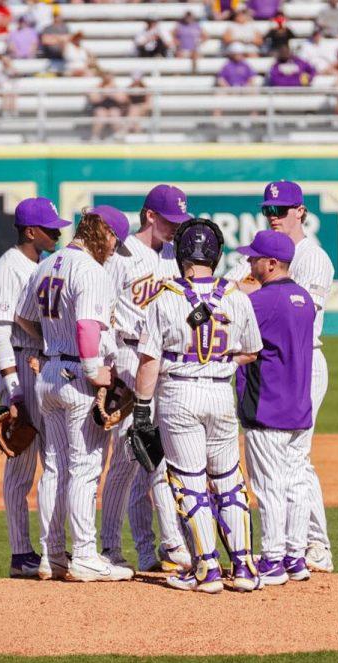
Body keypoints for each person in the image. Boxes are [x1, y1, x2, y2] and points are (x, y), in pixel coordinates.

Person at [132, 218, 263, 594]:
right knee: (229, 482)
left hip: (179, 394)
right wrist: (220, 363)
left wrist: (142, 409)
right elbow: (252, 351)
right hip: (222, 393)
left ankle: (206, 570)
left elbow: (150, 361)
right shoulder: (236, 296)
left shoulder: (166, 297)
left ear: (181, 255)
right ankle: (244, 568)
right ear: (217, 255)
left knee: (190, 483)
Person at [13, 206, 135, 583]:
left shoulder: (47, 266)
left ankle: (53, 556)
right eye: (116, 241)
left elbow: (22, 317)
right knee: (85, 468)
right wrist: (92, 370)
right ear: (107, 234)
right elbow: (86, 326)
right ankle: (83, 554)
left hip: (49, 373)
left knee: (54, 466)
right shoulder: (91, 271)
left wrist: (50, 346)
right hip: (78, 378)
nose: (115, 250)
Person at [99, 186, 193, 574]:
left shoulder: (174, 255)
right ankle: (117, 547)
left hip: (166, 360)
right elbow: (100, 312)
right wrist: (108, 372)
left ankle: (144, 554)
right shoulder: (120, 257)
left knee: (145, 461)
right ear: (150, 216)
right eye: (171, 220)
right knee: (137, 456)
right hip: (128, 353)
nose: (176, 228)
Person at [0, 197, 71, 579]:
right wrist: (14, 391)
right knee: (21, 464)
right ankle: (21, 553)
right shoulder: (8, 269)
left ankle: (51, 548)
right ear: (30, 232)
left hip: (39, 361)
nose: (58, 233)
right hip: (18, 363)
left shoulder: (40, 265)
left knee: (54, 459)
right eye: (51, 229)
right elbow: (0, 334)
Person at [233, 229, 316, 586]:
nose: (250, 263)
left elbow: (234, 337)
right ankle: (295, 557)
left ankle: (271, 559)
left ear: (271, 263)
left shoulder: (262, 302)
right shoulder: (304, 297)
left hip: (268, 406)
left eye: (254, 258)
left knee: (268, 486)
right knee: (296, 483)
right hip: (299, 407)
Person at [87, 72, 128, 139]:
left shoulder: (116, 87)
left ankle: (118, 135)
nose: (107, 80)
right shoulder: (97, 87)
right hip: (100, 107)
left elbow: (123, 99)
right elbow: (93, 99)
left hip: (113, 107)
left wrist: (112, 94)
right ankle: (95, 136)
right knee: (101, 114)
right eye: (106, 78)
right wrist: (103, 94)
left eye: (109, 78)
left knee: (114, 113)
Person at [39, 7, 71, 72]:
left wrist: (54, 38)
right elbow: (45, 40)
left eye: (58, 15)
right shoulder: (48, 28)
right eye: (55, 16)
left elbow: (68, 39)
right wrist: (60, 39)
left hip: (62, 53)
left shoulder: (65, 28)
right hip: (51, 54)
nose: (57, 18)